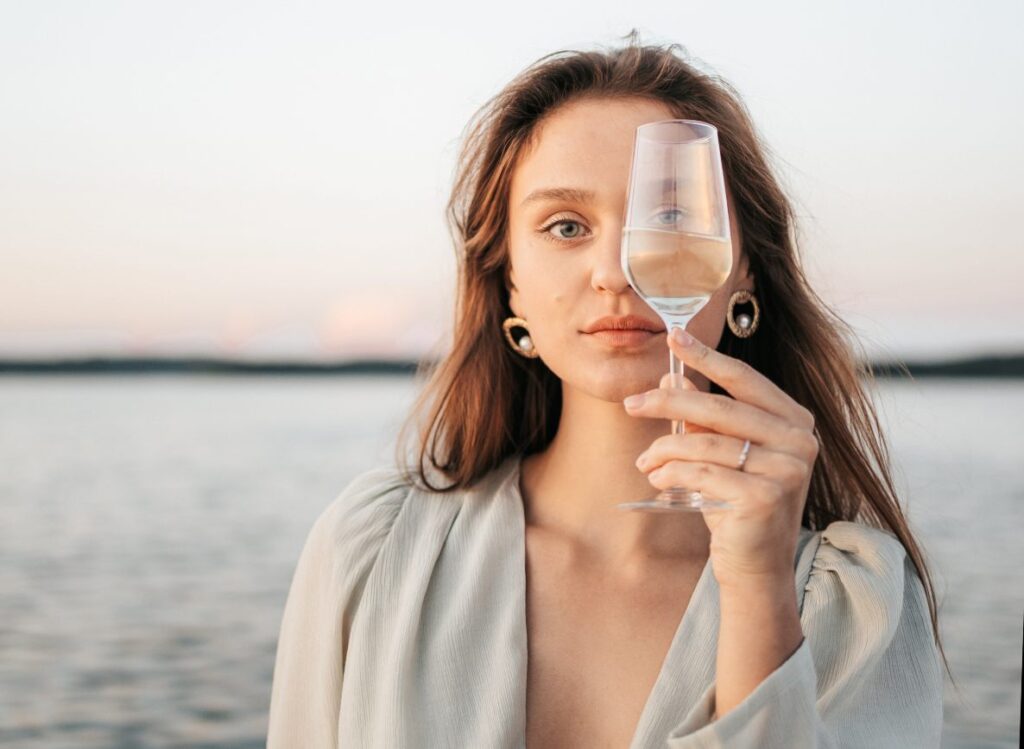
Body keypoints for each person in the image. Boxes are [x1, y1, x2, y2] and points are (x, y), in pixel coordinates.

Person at [267, 32, 949, 748]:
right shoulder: (376, 555)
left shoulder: (855, 608)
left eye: (672, 216)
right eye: (565, 226)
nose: (619, 271)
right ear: (509, 283)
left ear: (745, 266)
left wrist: (756, 593)